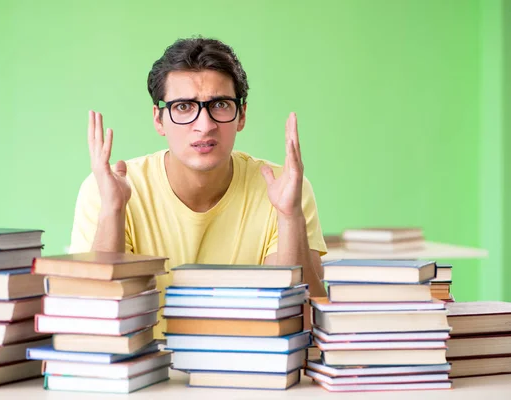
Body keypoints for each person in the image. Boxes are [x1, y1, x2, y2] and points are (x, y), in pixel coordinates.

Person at [69, 37, 327, 336]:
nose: (204, 125)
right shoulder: (109, 189)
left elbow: (299, 322)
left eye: (219, 104)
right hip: (146, 373)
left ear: (241, 115)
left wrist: (289, 216)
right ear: (159, 119)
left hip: (248, 372)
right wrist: (112, 211)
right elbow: (93, 319)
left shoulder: (284, 188)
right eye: (183, 106)